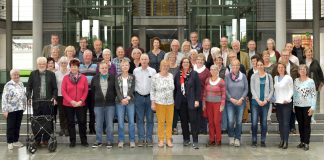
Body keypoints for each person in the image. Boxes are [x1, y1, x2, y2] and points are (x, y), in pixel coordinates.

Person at [26, 57, 58, 146]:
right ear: (37, 65)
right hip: (36, 102)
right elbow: (28, 87)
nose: (41, 65)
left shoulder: (51, 74)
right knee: (36, 122)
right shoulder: (33, 74)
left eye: (43, 64)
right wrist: (28, 97)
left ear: (46, 64)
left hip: (48, 102)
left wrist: (54, 97)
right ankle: (37, 139)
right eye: (40, 64)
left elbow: (55, 88)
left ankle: (46, 139)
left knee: (48, 121)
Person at [174, 57, 201, 149]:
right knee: (183, 122)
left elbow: (198, 88)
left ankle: (195, 140)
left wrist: (197, 100)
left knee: (193, 121)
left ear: (190, 64)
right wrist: (175, 100)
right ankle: (186, 139)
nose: (185, 63)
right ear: (181, 64)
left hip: (192, 101)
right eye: (184, 62)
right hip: (181, 102)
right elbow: (175, 89)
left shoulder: (194, 74)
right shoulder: (178, 75)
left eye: (187, 62)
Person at [61, 59, 89, 147]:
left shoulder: (84, 78)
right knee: (70, 123)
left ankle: (83, 140)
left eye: (75, 66)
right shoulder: (66, 78)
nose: (73, 68)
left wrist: (81, 101)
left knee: (82, 122)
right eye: (72, 66)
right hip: (68, 104)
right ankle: (72, 141)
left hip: (81, 104)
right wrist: (71, 101)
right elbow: (63, 91)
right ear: (70, 67)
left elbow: (85, 91)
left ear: (78, 67)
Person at [91, 61, 117, 148]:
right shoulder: (94, 78)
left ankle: (110, 141)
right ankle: (98, 141)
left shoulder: (113, 78)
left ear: (108, 69)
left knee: (109, 124)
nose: (104, 69)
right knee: (98, 123)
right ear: (99, 69)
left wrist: (112, 97)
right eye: (102, 68)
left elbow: (116, 91)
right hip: (98, 105)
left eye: (106, 68)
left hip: (110, 104)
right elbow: (93, 91)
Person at [133, 54, 157, 147]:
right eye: (142, 59)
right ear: (139, 60)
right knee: (139, 119)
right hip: (138, 97)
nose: (143, 61)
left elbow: (154, 86)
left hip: (150, 97)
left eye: (145, 59)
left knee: (150, 119)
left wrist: (154, 100)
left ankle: (149, 139)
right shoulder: (136, 71)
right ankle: (141, 139)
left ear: (148, 60)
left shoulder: (153, 71)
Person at [273, 49, 299, 134]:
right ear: (281, 56)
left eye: (287, 55)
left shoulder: (295, 66)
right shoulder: (277, 66)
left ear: (289, 56)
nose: (285, 57)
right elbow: (275, 77)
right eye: (283, 55)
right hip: (281, 93)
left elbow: (298, 78)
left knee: (291, 111)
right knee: (281, 113)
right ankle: (283, 129)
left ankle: (292, 127)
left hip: (291, 91)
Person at [151, 60, 175, 148]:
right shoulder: (155, 77)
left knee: (169, 122)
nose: (165, 67)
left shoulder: (171, 76)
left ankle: (168, 139)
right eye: (163, 66)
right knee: (161, 122)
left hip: (170, 103)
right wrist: (153, 103)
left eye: (167, 66)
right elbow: (152, 90)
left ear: (169, 67)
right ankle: (161, 139)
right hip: (159, 103)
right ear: (160, 67)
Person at [250, 59, 274, 147]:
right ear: (256, 66)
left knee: (264, 122)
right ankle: (254, 141)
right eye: (258, 65)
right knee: (254, 122)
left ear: (264, 65)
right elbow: (252, 89)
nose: (259, 66)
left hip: (265, 103)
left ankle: (263, 141)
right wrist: (258, 100)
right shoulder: (253, 76)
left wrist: (266, 100)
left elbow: (272, 90)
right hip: (255, 103)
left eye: (261, 65)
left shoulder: (269, 76)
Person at [225, 59, 248, 147]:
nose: (235, 67)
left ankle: (237, 138)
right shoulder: (227, 76)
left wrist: (241, 99)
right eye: (233, 65)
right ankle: (231, 136)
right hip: (230, 102)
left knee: (238, 121)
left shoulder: (243, 76)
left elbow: (246, 89)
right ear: (231, 66)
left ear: (239, 66)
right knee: (230, 121)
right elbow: (225, 89)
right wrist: (231, 99)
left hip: (240, 102)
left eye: (237, 65)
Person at [293, 64, 316, 151]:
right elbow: (294, 94)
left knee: (306, 125)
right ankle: (302, 141)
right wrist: (293, 105)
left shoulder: (311, 81)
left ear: (306, 71)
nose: (302, 71)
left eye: (304, 69)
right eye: (300, 69)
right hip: (298, 106)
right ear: (298, 71)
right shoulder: (296, 81)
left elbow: (313, 95)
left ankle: (306, 142)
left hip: (307, 106)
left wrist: (313, 107)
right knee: (300, 124)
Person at [2, 69, 26, 150]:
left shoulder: (21, 84)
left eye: (17, 74)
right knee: (10, 126)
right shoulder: (8, 85)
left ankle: (16, 141)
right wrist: (5, 110)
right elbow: (4, 98)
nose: (16, 76)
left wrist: (25, 105)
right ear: (11, 76)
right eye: (14, 75)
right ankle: (10, 142)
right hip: (11, 109)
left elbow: (24, 95)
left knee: (17, 126)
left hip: (20, 108)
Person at [202, 65, 226, 146]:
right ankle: (211, 139)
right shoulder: (207, 80)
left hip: (217, 104)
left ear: (217, 70)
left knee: (216, 122)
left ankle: (218, 140)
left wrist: (222, 105)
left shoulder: (221, 81)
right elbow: (205, 93)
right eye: (211, 69)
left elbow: (223, 94)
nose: (213, 71)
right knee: (211, 122)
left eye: (215, 69)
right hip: (208, 104)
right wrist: (204, 103)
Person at [115, 60, 136, 148]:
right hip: (119, 102)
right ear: (121, 67)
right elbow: (116, 89)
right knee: (120, 122)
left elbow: (132, 88)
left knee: (131, 122)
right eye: (123, 65)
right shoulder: (117, 77)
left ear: (128, 66)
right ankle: (121, 140)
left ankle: (132, 140)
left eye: (126, 65)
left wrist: (127, 98)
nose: (125, 66)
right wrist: (121, 99)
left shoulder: (132, 77)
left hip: (130, 101)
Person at [273, 62, 293, 149]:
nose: (280, 69)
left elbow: (291, 90)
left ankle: (286, 141)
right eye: (279, 67)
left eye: (282, 67)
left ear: (284, 68)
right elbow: (275, 90)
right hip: (278, 104)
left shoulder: (288, 78)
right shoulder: (275, 78)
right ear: (277, 69)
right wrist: (274, 99)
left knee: (285, 123)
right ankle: (281, 140)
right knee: (280, 122)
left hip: (286, 103)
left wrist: (287, 99)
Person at [79, 50, 98, 134]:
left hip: (93, 92)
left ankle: (92, 128)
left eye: (89, 55)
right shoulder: (79, 66)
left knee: (92, 111)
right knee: (82, 112)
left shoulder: (96, 66)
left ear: (91, 57)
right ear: (83, 57)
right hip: (83, 93)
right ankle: (83, 128)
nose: (87, 57)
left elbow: (97, 78)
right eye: (86, 55)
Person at [194, 54, 211, 134]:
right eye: (198, 59)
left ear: (204, 61)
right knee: (194, 113)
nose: (200, 61)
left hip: (203, 95)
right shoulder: (192, 70)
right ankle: (195, 129)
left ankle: (203, 129)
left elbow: (209, 83)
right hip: (193, 95)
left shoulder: (207, 71)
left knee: (202, 113)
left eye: (201, 60)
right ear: (195, 61)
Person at [55, 56, 70, 136]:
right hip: (59, 95)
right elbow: (55, 85)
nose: (63, 64)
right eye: (62, 63)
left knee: (67, 112)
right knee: (61, 113)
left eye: (65, 63)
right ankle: (62, 128)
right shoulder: (56, 73)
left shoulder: (70, 72)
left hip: (68, 96)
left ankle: (67, 128)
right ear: (60, 64)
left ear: (67, 64)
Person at [166, 52, 180, 135]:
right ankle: (168, 127)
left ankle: (173, 127)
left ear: (176, 59)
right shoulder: (165, 68)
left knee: (175, 110)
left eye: (173, 57)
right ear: (168, 59)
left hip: (177, 92)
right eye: (170, 57)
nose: (172, 59)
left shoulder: (179, 68)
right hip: (167, 92)